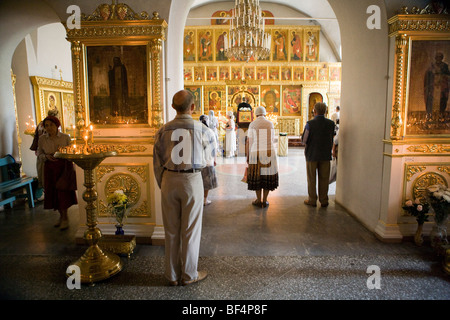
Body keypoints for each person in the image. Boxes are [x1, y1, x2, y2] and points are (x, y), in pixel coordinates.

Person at [153, 90, 213, 286]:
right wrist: (206, 187)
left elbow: (157, 161)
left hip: (169, 179)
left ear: (173, 107)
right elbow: (210, 160)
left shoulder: (163, 130)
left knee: (170, 230)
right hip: (192, 179)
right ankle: (189, 275)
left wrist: (163, 183)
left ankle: (171, 275)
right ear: (193, 107)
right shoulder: (203, 130)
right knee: (191, 230)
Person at [37, 116, 77, 230]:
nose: (49, 128)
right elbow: (39, 154)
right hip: (50, 168)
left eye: (51, 125)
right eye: (46, 125)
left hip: (63, 168)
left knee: (62, 192)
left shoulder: (65, 137)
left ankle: (65, 218)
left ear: (57, 125)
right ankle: (61, 216)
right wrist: (46, 156)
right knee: (54, 193)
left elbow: (72, 152)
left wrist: (62, 153)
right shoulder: (42, 139)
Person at [302, 102, 335, 207]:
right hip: (325, 155)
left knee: (311, 178)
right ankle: (324, 200)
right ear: (325, 111)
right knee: (324, 178)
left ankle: (312, 200)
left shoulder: (310, 124)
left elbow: (304, 140)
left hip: (312, 155)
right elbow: (332, 137)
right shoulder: (331, 124)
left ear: (314, 111)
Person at [246, 106, 279, 208]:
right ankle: (265, 200)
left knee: (257, 176)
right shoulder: (270, 123)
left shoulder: (252, 124)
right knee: (267, 177)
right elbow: (272, 139)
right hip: (269, 152)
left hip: (256, 152)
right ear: (265, 114)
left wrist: (248, 156)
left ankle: (258, 200)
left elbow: (249, 141)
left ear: (256, 114)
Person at [30, 109, 60, 201]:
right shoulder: (51, 125)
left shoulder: (41, 124)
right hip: (47, 153)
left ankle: (40, 195)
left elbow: (36, 137)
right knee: (45, 175)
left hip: (41, 152)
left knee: (41, 175)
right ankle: (47, 196)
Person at [199, 115, 218, 206]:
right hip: (207, 161)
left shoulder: (195, 131)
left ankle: (199, 199)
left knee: (198, 181)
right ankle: (205, 200)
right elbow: (214, 147)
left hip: (197, 161)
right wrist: (214, 159)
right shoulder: (210, 131)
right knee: (206, 182)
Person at [424, 52, 449, 116]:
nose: (438, 58)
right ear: (435, 58)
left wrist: (442, 77)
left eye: (440, 57)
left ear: (442, 58)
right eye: (437, 57)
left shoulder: (445, 66)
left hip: (442, 88)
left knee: (442, 101)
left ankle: (441, 114)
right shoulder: (432, 66)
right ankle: (431, 115)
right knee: (432, 100)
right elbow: (428, 77)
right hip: (434, 88)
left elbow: (448, 75)